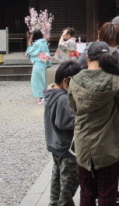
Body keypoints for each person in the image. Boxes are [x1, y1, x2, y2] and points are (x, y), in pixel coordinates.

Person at [68, 41, 119, 206]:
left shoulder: (75, 80)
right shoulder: (116, 81)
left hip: (84, 145)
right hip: (109, 145)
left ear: (87, 56)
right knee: (107, 192)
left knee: (87, 192)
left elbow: (74, 107)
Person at [44, 61, 82, 206]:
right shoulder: (62, 98)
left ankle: (54, 203)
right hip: (67, 149)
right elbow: (65, 122)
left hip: (55, 145)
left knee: (57, 181)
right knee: (67, 186)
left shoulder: (51, 93)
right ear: (66, 81)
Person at [26, 29, 52, 104]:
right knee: (42, 79)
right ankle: (44, 96)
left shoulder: (38, 43)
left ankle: (42, 97)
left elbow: (30, 52)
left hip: (38, 63)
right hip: (42, 62)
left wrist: (29, 43)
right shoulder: (43, 42)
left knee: (38, 80)